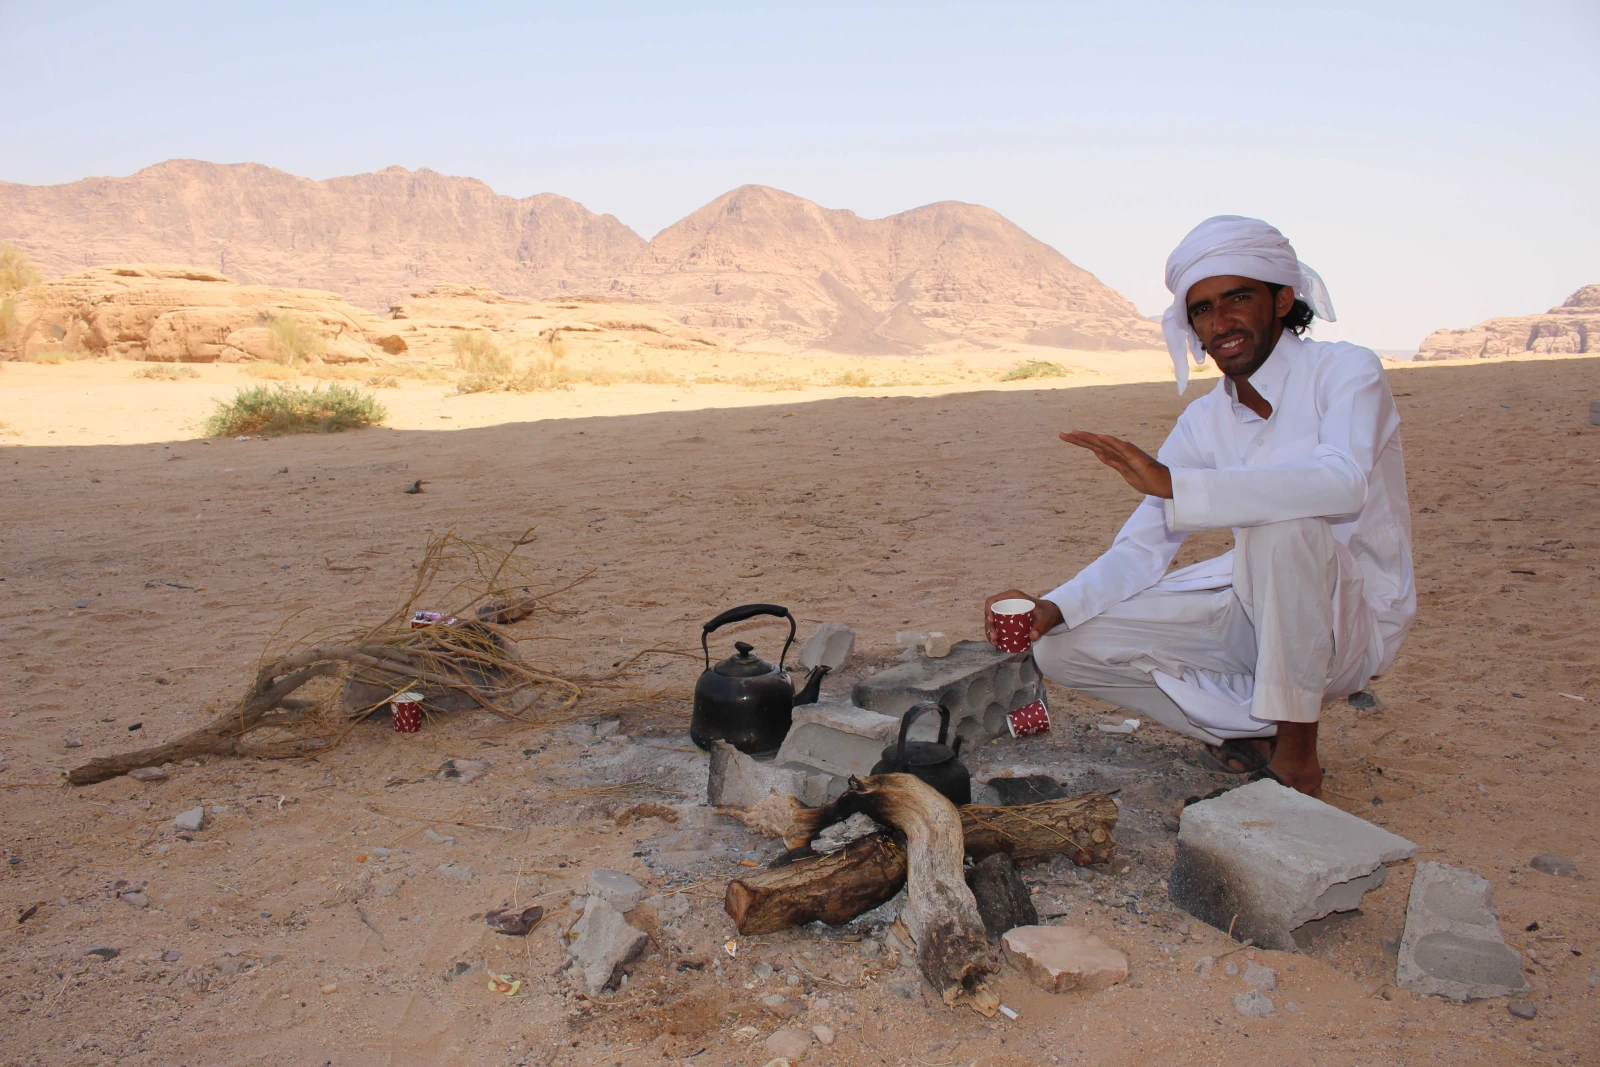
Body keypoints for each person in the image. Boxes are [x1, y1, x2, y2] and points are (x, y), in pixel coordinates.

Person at [984, 216, 1414, 797]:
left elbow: (1340, 484)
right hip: (1253, 609)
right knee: (1063, 649)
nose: (1221, 324)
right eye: (1204, 310)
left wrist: (1177, 486)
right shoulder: (1205, 420)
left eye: (1239, 299)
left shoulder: (1345, 371)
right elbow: (1142, 547)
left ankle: (1296, 756)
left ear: (1282, 300)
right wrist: (1054, 607)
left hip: (1350, 616)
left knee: (1284, 525)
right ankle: (1247, 734)